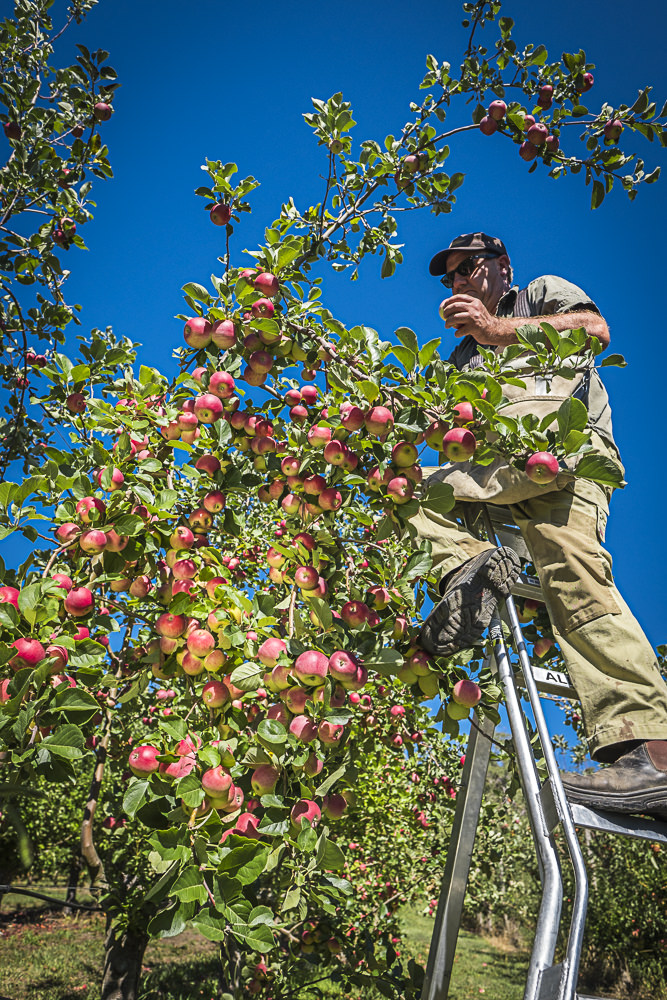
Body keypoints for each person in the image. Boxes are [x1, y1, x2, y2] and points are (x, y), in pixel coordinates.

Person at [412, 232, 667, 819]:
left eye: (467, 269)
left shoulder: (541, 295)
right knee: (401, 491)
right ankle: (468, 569)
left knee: (574, 574)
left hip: (564, 462)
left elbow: (595, 332)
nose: (457, 283)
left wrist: (495, 330)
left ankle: (649, 753)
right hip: (496, 477)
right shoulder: (460, 362)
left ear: (501, 267)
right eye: (448, 277)